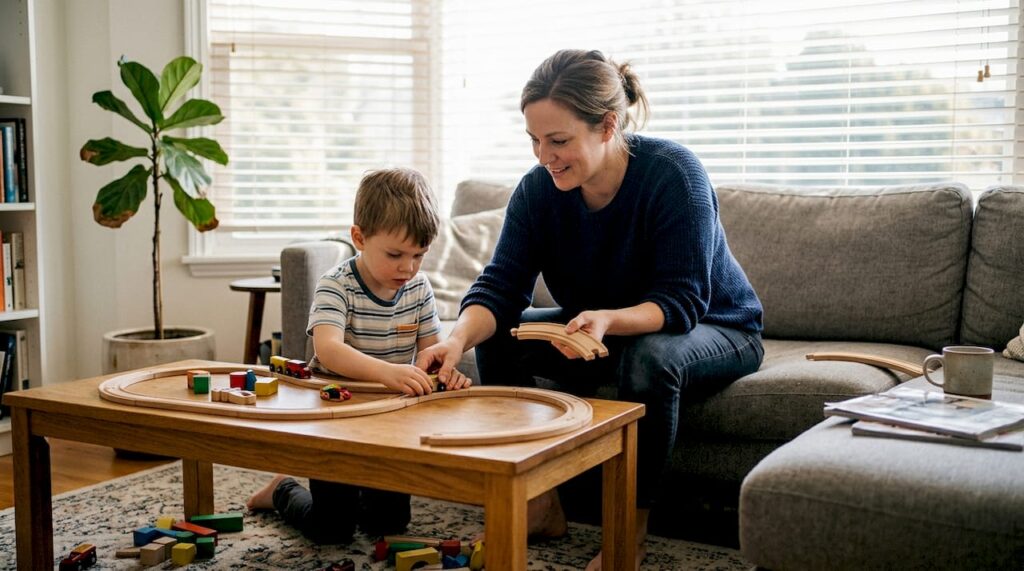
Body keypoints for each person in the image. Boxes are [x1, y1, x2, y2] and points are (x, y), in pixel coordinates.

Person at [415, 49, 764, 569]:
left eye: (558, 141)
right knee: (500, 334)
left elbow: (683, 301)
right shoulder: (538, 191)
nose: (543, 156)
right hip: (605, 328)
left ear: (607, 125)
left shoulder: (674, 175)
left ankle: (629, 536)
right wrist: (455, 340)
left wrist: (609, 318)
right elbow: (501, 287)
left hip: (716, 325)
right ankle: (540, 507)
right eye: (534, 140)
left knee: (651, 357)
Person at [247, 167, 471, 544]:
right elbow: (328, 349)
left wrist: (445, 372)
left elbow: (430, 351)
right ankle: (283, 490)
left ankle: (362, 494)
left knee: (388, 526)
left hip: (389, 426)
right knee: (331, 530)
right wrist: (388, 373)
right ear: (359, 238)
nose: (408, 267)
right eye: (396, 254)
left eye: (420, 254)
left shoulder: (418, 286)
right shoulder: (337, 285)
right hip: (336, 421)